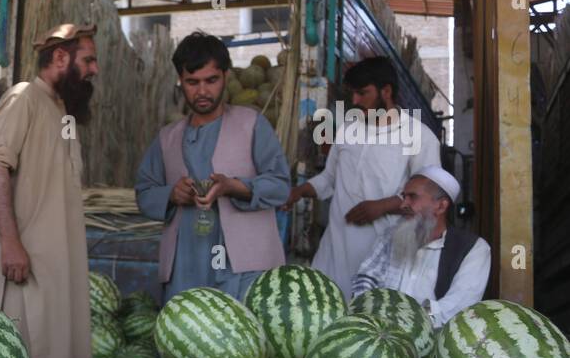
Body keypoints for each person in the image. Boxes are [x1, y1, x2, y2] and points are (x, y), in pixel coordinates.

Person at [0, 22, 98, 358]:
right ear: (61, 57)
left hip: (56, 273)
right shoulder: (23, 97)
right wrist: (11, 243)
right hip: (23, 267)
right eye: (89, 60)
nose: (94, 70)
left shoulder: (62, 113)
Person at [135, 31, 289, 303]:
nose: (202, 91)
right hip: (186, 263)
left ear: (226, 77)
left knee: (242, 338)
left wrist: (234, 187)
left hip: (243, 266)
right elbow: (145, 192)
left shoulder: (252, 124)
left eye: (211, 80)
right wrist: (172, 194)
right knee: (188, 336)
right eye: (192, 82)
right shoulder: (167, 137)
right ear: (180, 81)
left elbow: (280, 186)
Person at [283, 56, 441, 299]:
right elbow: (328, 179)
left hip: (382, 259)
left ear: (386, 91)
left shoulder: (418, 135)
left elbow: (428, 198)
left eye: (362, 93)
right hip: (333, 252)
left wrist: (383, 206)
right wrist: (298, 191)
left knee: (369, 324)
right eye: (352, 94)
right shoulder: (348, 129)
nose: (355, 101)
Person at [350, 166, 489, 327]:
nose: (403, 205)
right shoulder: (390, 236)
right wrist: (369, 315)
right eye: (404, 197)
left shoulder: (474, 249)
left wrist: (403, 321)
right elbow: (366, 278)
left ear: (441, 206)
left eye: (412, 197)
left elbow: (455, 308)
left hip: (434, 343)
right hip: (379, 333)